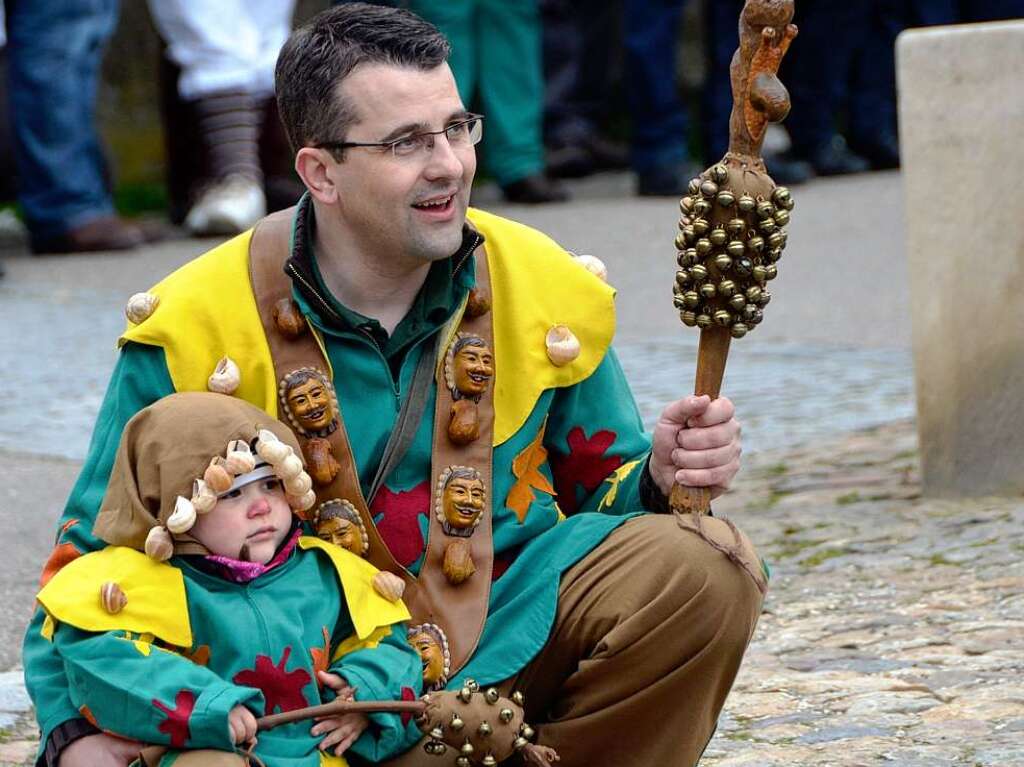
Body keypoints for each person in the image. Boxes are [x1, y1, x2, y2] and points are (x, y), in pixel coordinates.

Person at [24, 5, 764, 766]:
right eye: (407, 142)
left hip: (499, 659)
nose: (449, 163)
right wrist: (73, 735)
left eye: (456, 127)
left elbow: (605, 494)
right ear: (320, 172)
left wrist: (660, 474)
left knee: (702, 563)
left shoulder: (537, 281)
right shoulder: (194, 325)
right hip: (299, 719)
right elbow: (84, 570)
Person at [32, 392, 423, 766]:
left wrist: (364, 697)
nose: (261, 507)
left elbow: (385, 643)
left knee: (463, 733)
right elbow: (106, 662)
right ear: (172, 504)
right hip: (209, 751)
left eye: (271, 484)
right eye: (232, 494)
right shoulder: (135, 582)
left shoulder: (328, 573)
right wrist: (207, 705)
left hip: (321, 754)